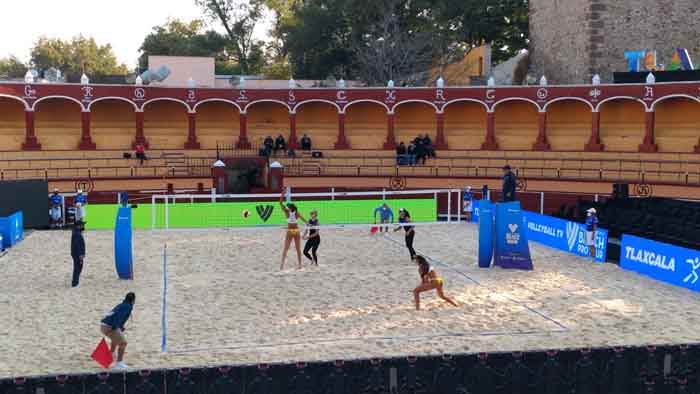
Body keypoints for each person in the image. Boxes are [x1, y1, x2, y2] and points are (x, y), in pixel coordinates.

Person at [100, 292, 135, 370]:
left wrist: (120, 327)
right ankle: (119, 363)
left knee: (116, 338)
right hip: (109, 325)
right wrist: (115, 327)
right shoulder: (128, 307)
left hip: (104, 324)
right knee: (123, 343)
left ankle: (111, 353)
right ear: (133, 300)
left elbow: (117, 315)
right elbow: (119, 317)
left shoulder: (122, 304)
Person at [279, 191, 307, 270]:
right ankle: (297, 265)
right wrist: (282, 195)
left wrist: (282, 194)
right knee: (292, 248)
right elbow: (304, 220)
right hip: (294, 230)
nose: (287, 207)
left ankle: (284, 265)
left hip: (292, 231)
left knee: (290, 248)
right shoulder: (292, 212)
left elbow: (304, 220)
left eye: (288, 206)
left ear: (291, 208)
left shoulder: (289, 212)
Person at [70, 220, 86, 287]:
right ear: (78, 226)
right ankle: (75, 283)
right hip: (77, 254)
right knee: (77, 267)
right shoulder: (77, 234)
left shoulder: (76, 232)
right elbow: (78, 245)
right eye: (82, 225)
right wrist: (80, 255)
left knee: (78, 267)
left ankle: (75, 281)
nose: (83, 226)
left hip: (76, 253)